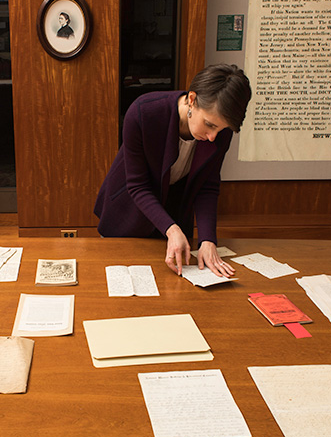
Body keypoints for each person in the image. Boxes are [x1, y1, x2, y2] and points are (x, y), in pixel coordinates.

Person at [93, 63, 252, 277]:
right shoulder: (144, 112)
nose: (213, 137)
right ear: (192, 100)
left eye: (221, 129)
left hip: (175, 223)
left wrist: (207, 239)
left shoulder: (221, 131)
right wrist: (171, 228)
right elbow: (138, 185)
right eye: (209, 125)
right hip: (129, 216)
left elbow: (208, 185)